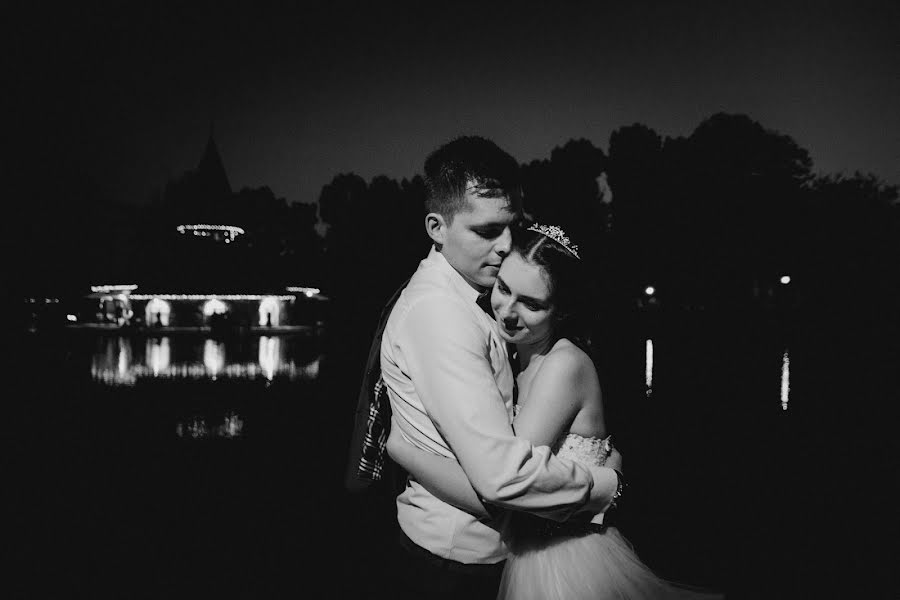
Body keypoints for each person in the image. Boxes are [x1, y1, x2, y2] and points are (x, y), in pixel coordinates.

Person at [388, 223, 723, 599]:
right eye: (503, 289)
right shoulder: (516, 354)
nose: (508, 313)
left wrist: (404, 452)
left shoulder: (563, 366)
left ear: (560, 311)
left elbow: (501, 490)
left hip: (566, 566)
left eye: (531, 304)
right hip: (528, 556)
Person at [374, 136, 624, 599]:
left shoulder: (488, 310)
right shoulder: (441, 315)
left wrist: (402, 452)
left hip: (499, 558)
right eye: (487, 232)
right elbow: (500, 482)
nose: (506, 246)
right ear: (436, 227)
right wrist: (607, 485)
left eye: (513, 227)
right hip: (454, 564)